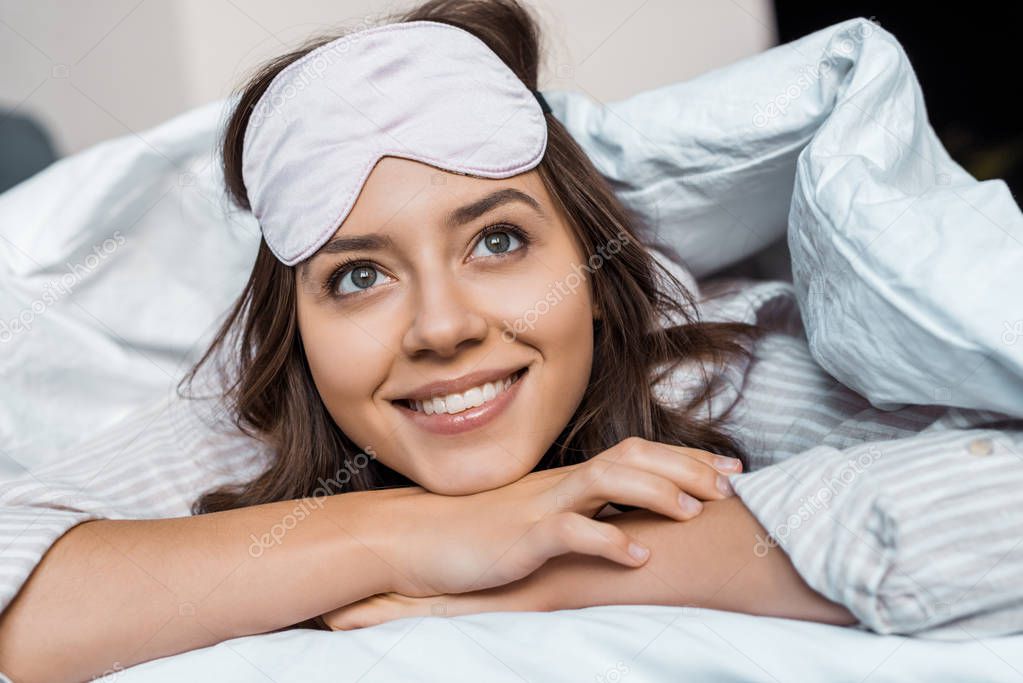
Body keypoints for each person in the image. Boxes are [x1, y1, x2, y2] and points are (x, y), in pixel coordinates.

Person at [2, 1, 1020, 681]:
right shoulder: (279, 413)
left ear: (591, 259)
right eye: (358, 274)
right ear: (301, 330)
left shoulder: (704, 363)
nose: (443, 327)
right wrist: (415, 536)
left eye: (497, 241)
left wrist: (552, 568)